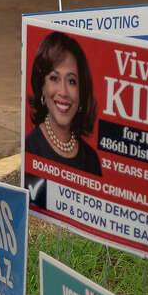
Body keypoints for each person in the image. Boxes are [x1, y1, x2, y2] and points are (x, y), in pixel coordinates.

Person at [23, 31, 102, 209]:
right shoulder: (30, 149)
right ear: (42, 88)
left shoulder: (91, 160)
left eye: (72, 81)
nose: (64, 91)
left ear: (82, 92)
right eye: (54, 78)